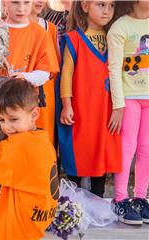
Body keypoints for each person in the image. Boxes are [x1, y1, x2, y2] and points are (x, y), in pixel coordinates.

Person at [0, 78, 58, 239]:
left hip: (17, 226)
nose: (6, 127)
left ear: (34, 114)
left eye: (13, 119)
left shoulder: (21, 144)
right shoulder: (41, 138)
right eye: (1, 120)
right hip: (38, 216)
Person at [56, 0, 121, 198]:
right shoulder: (74, 38)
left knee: (102, 151)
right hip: (81, 107)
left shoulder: (114, 37)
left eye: (111, 6)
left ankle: (98, 200)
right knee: (79, 150)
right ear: (85, 6)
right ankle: (74, 204)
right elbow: (66, 74)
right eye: (101, 5)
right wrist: (67, 105)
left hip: (106, 107)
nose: (107, 11)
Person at [108, 0, 149, 225]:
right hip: (129, 97)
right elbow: (113, 68)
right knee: (128, 147)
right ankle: (121, 199)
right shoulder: (120, 27)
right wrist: (118, 104)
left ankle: (140, 197)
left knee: (146, 148)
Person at [1, 0, 59, 144]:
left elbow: (46, 72)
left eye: (26, 3)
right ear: (4, 3)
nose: (21, 8)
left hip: (24, 103)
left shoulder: (40, 34)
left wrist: (25, 77)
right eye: (15, 3)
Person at [29, 0, 60, 145]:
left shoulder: (50, 28)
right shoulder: (7, 27)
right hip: (20, 90)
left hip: (45, 93)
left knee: (45, 134)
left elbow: (54, 65)